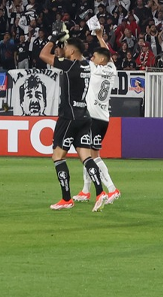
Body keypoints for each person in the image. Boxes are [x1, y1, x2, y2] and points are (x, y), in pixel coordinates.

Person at [40, 26, 107, 212]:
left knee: (58, 157)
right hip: (84, 117)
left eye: (66, 47)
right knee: (86, 157)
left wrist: (53, 38)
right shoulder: (86, 64)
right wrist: (62, 47)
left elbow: (43, 55)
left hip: (68, 117)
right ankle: (100, 192)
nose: (64, 49)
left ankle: (66, 199)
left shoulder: (69, 65)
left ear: (72, 51)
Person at [73, 28, 120, 204]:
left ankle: (112, 189)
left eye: (94, 56)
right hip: (103, 118)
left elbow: (80, 57)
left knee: (92, 157)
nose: (91, 58)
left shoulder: (93, 68)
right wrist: (100, 37)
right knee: (88, 154)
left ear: (100, 60)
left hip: (92, 117)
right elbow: (105, 54)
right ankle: (85, 191)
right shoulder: (111, 69)